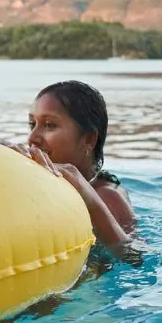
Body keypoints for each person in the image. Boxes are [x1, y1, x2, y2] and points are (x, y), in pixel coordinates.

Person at [20, 80, 136, 255]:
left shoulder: (108, 196)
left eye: (49, 125)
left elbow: (134, 257)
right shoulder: (50, 182)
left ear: (88, 139)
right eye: (32, 124)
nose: (33, 138)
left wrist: (92, 203)